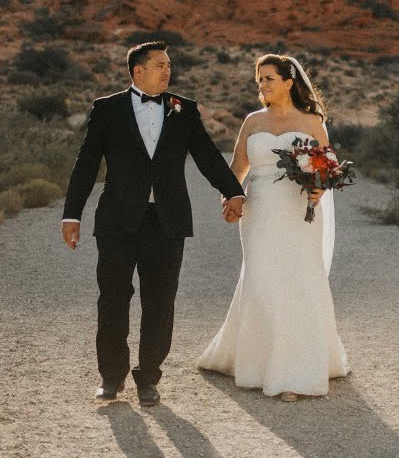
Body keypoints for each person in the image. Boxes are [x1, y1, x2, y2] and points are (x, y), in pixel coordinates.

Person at [61, 41, 246, 407]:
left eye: (169, 65)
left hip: (167, 221)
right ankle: (111, 377)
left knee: (160, 302)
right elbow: (87, 163)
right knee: (112, 299)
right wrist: (72, 214)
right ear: (138, 71)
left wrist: (233, 191)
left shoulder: (184, 109)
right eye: (160, 65)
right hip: (116, 221)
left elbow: (207, 156)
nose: (167, 71)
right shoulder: (107, 109)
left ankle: (148, 378)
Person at [197, 54, 350, 401]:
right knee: (261, 277)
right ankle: (258, 361)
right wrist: (230, 198)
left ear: (289, 82)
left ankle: (294, 372)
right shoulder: (252, 122)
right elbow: (237, 169)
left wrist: (319, 188)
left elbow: (328, 168)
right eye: (259, 79)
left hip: (299, 212)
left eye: (269, 78)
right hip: (260, 212)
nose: (262, 84)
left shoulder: (311, 122)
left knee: (299, 279)